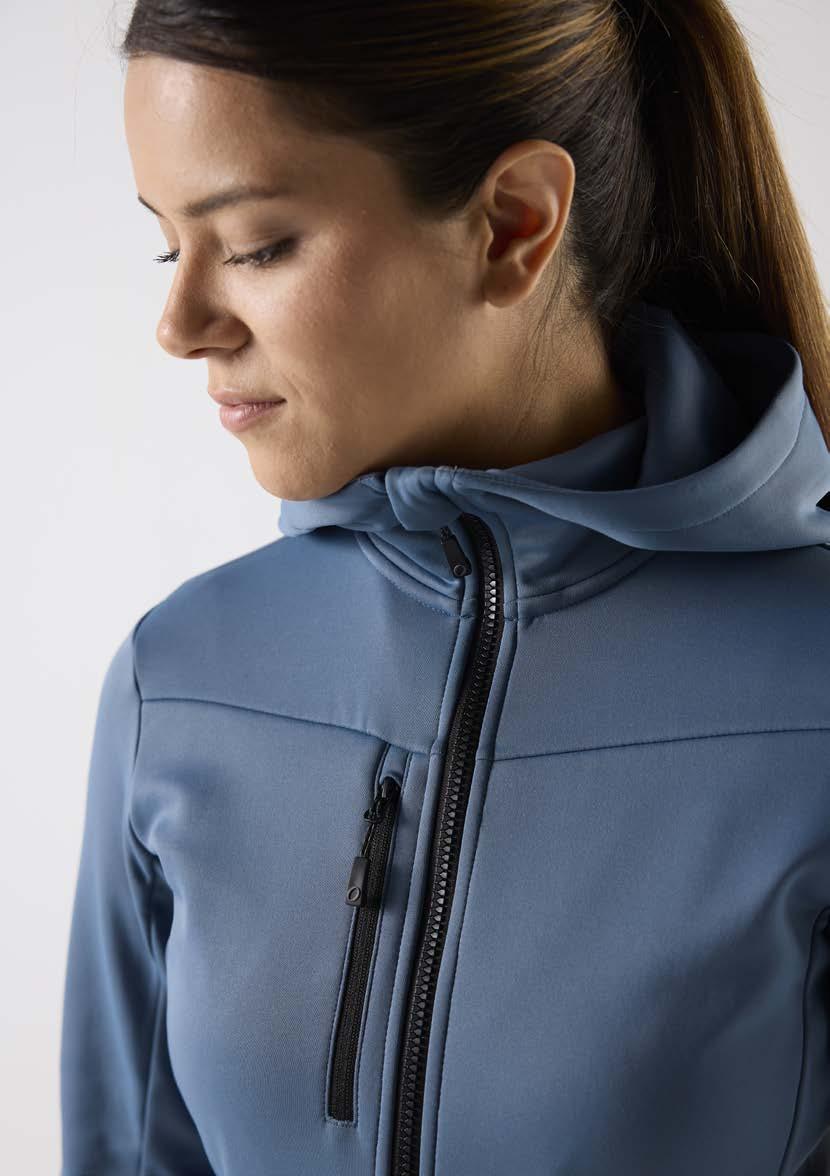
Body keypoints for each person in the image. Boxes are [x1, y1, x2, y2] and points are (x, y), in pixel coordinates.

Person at [59, 1, 830, 1174]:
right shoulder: (182, 674)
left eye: (255, 245)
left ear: (512, 223)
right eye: (172, 247)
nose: (181, 325)